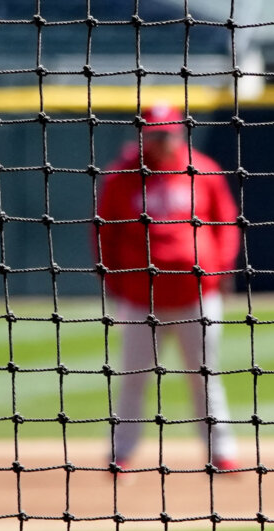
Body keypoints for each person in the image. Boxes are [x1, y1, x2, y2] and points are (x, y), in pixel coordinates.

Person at [94, 105, 245, 473]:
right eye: (157, 133)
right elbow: (104, 234)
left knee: (204, 377)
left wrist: (219, 270)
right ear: (144, 135)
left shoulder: (203, 169)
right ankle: (122, 453)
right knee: (133, 378)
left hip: (197, 295)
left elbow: (226, 224)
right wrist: (117, 281)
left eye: (170, 133)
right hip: (141, 299)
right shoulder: (121, 177)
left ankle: (220, 452)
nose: (164, 140)